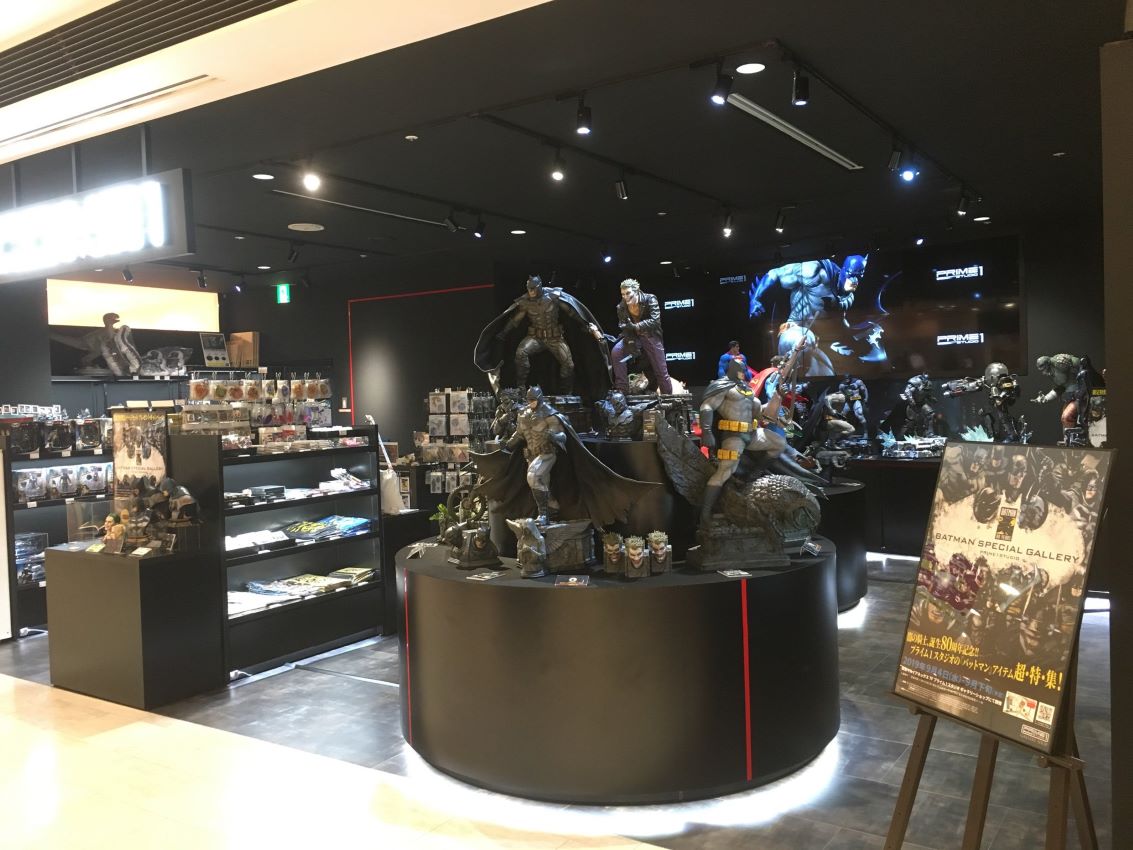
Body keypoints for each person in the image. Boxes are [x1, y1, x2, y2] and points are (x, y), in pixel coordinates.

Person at [611, 279, 673, 394]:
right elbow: (624, 327)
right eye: (623, 294)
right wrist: (630, 342)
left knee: (660, 370)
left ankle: (668, 396)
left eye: (628, 293)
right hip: (633, 336)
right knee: (617, 352)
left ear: (636, 291)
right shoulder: (621, 307)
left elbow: (655, 321)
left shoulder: (650, 299)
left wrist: (636, 326)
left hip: (650, 335)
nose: (625, 297)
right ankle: (622, 390)